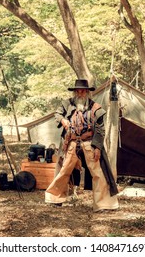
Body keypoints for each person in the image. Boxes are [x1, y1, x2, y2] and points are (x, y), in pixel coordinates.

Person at [45, 79, 119, 212]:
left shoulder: (95, 108)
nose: (80, 93)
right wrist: (63, 120)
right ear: (75, 92)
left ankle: (103, 204)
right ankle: (54, 198)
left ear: (87, 92)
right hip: (72, 142)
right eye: (78, 91)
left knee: (98, 173)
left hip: (89, 143)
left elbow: (100, 129)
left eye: (83, 91)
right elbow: (57, 114)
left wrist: (97, 147)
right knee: (64, 171)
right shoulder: (67, 104)